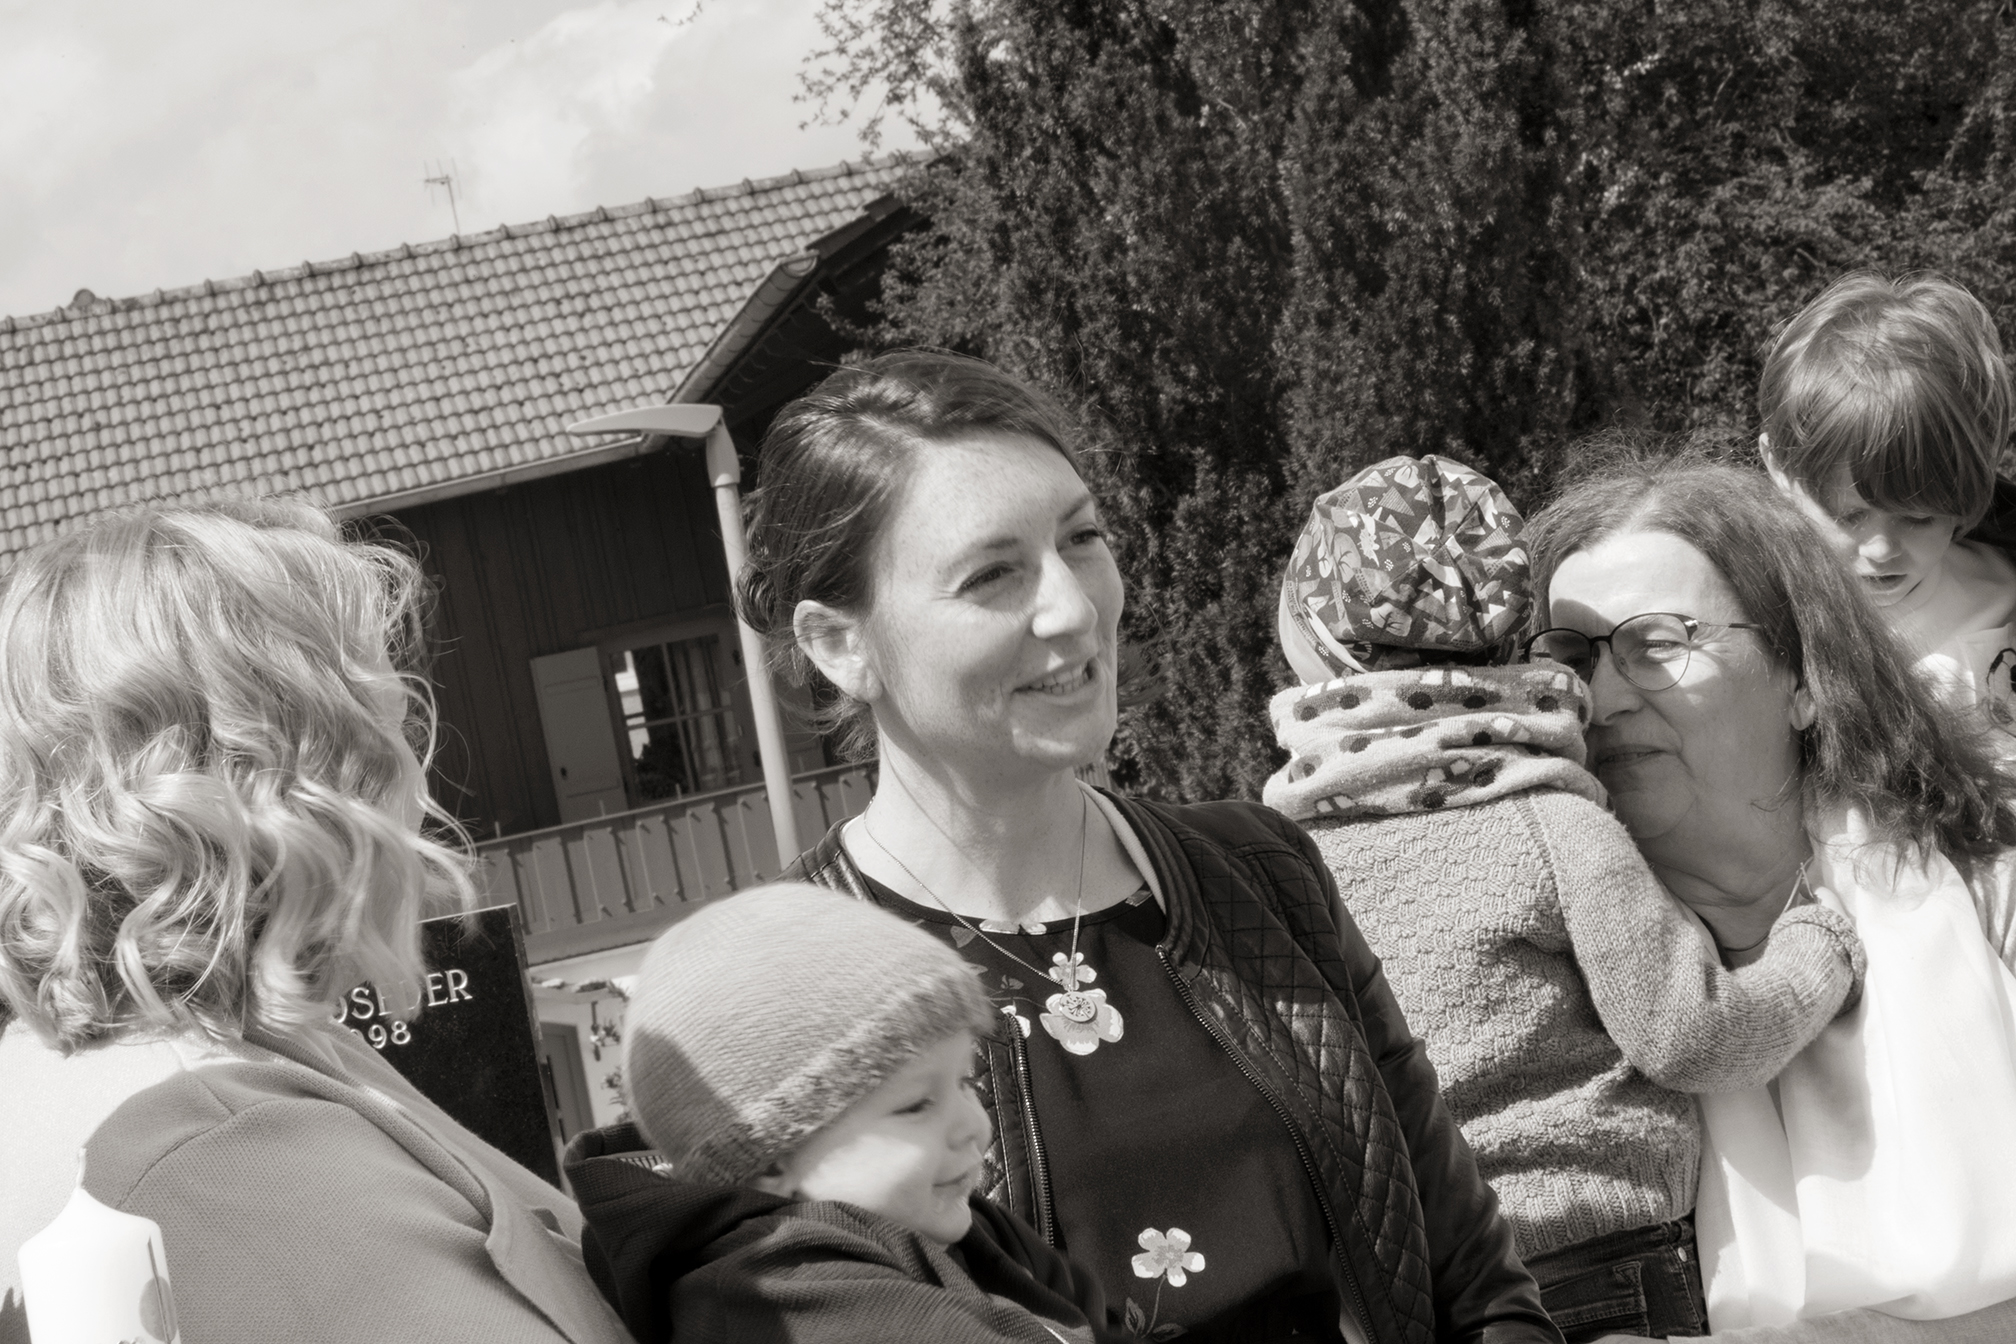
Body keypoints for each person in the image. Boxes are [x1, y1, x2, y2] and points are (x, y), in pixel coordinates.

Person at [727, 349, 1563, 1344]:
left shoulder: (1259, 872)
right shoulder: (793, 996)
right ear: (839, 644)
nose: (1076, 608)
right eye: (991, 575)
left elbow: (1477, 1287)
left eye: (1081, 538)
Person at [1263, 454, 1866, 1343]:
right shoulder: (1553, 826)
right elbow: (1694, 1034)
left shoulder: (1281, 867)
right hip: (1604, 1269)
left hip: (1407, 1292)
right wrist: (1821, 950)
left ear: (1319, 651)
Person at [0, 501, 629, 1344]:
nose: (419, 782)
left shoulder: (127, 1064)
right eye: (391, 721)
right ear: (308, 779)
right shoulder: (229, 1145)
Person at [1525, 448, 2016, 1342]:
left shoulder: (1989, 888)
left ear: (1802, 678)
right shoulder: (1541, 991)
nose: (1604, 697)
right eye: (1569, 655)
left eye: (1657, 644)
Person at [567, 881, 1133, 1344]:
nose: (975, 1126)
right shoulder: (782, 1292)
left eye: (965, 1082)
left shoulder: (973, 1228)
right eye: (916, 1104)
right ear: (772, 1159)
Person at [1758, 271, 2016, 742]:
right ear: (1779, 467)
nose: (1880, 549)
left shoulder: (2003, 590)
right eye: (1848, 515)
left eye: (1919, 518)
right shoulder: (1762, 619)